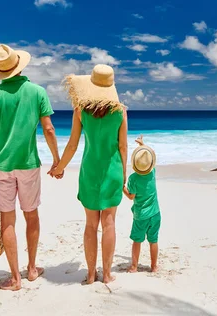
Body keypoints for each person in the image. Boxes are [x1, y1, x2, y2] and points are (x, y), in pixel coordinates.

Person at [0, 44, 60, 291]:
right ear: (19, 65)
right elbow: (48, 129)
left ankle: (15, 278)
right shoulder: (37, 92)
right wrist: (57, 160)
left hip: (0, 167)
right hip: (28, 165)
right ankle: (32, 269)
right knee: (31, 214)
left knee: (8, 221)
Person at [51, 64, 127, 285]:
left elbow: (73, 144)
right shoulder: (120, 112)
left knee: (91, 224)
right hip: (112, 172)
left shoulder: (80, 110)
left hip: (89, 173)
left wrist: (59, 167)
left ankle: (91, 275)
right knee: (109, 223)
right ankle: (108, 275)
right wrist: (124, 174)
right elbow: (122, 146)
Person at [123, 135, 160, 273]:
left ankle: (134, 266)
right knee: (153, 240)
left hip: (141, 216)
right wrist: (142, 145)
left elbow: (131, 196)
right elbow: (149, 158)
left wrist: (122, 188)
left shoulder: (133, 178)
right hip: (156, 214)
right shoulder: (152, 173)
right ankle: (154, 266)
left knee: (137, 241)